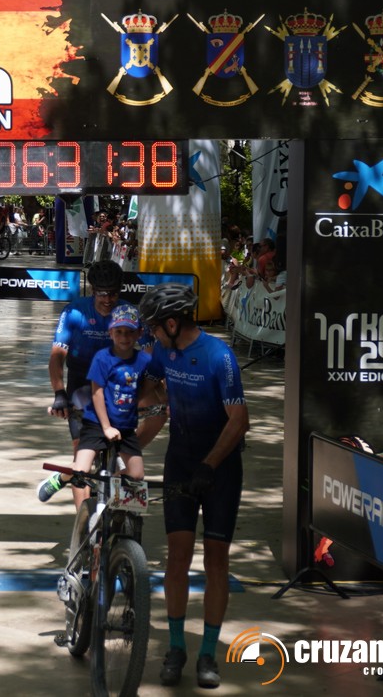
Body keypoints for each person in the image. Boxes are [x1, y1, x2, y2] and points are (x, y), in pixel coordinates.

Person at [136, 283, 248, 689]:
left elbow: (240, 421)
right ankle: (177, 647)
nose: (149, 332)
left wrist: (210, 464)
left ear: (171, 323)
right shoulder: (162, 351)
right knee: (177, 558)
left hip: (220, 468)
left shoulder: (220, 356)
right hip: (180, 461)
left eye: (153, 326)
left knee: (216, 560)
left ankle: (208, 654)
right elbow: (146, 390)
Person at [44, 261, 135, 504]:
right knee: (82, 452)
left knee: (129, 457)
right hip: (81, 383)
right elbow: (57, 356)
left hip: (118, 386)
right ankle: (84, 522)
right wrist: (59, 393)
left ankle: (66, 478)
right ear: (92, 290)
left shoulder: (129, 312)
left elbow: (148, 356)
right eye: (102, 293)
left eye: (113, 293)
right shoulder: (75, 312)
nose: (107, 299)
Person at [38, 305, 150, 502]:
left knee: (137, 475)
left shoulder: (145, 360)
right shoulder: (102, 358)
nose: (124, 337)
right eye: (119, 332)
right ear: (110, 333)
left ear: (139, 333)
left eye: (130, 332)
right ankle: (61, 478)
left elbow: (151, 385)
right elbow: (97, 393)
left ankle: (110, 496)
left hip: (125, 427)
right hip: (97, 424)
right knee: (81, 470)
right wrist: (106, 427)